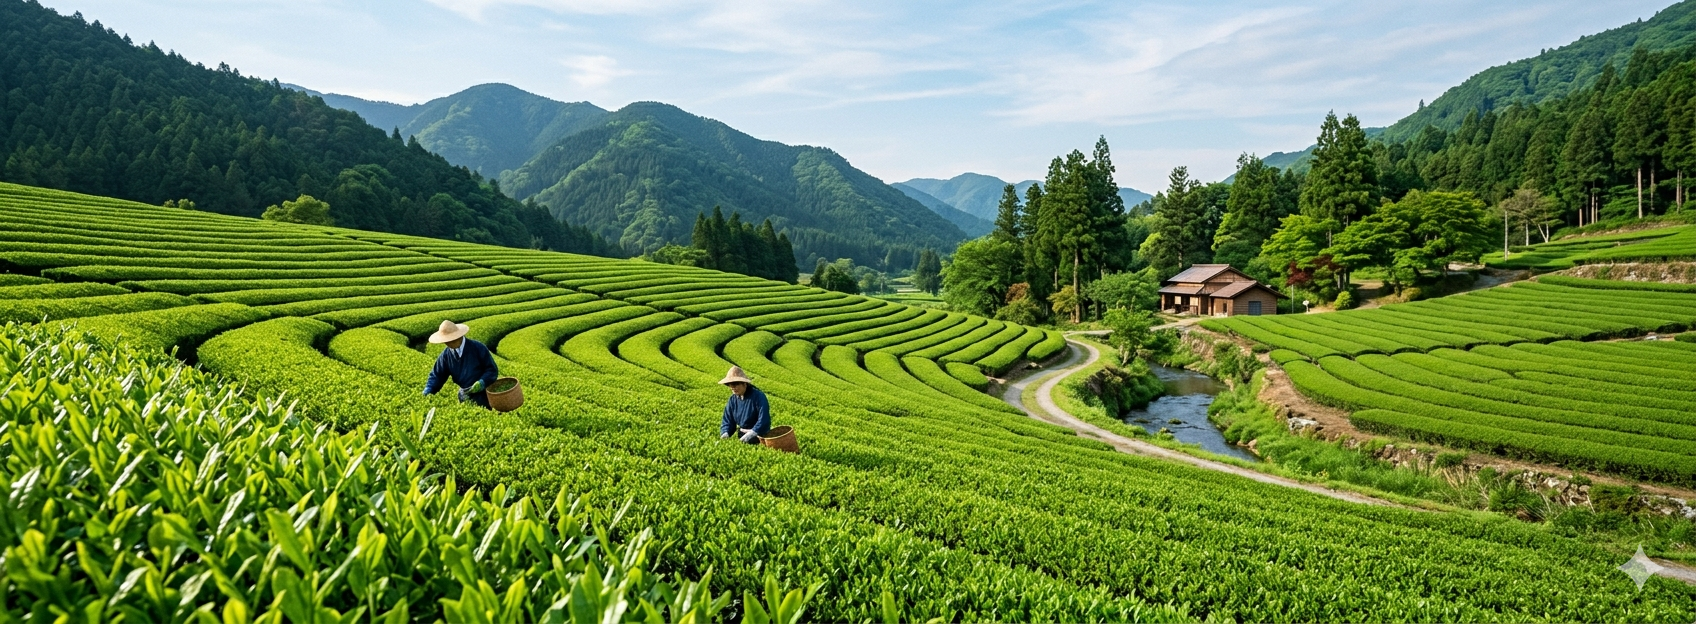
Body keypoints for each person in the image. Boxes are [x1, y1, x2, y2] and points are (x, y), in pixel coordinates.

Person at [423, 319, 499, 408]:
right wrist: (428, 389)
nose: (446, 343)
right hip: (465, 395)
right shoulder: (445, 356)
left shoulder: (478, 348)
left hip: (485, 395)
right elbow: (437, 375)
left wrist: (481, 383)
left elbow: (491, 370)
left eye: (449, 340)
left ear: (457, 337)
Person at [718, 366, 771, 444]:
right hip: (742, 435)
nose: (733, 387)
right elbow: (728, 420)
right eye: (730, 385)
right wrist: (725, 432)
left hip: (759, 436)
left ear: (744, 384)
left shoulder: (758, 396)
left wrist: (753, 432)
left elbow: (764, 420)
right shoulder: (733, 400)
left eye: (736, 384)